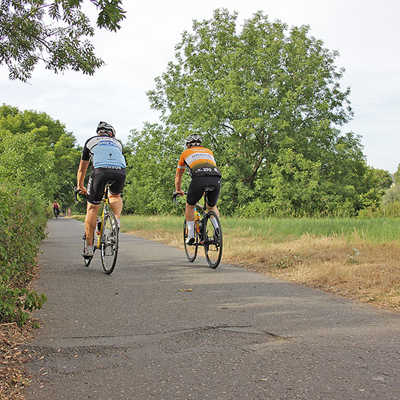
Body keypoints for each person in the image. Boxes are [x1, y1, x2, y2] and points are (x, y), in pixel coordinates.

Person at [77, 121, 127, 257]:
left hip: (100, 171)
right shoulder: (117, 143)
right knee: (115, 196)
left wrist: (80, 186)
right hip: (120, 171)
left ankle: (88, 247)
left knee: (92, 208)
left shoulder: (91, 141)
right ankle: (116, 220)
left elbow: (82, 169)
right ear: (112, 134)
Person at [174, 134, 222, 244]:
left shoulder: (185, 153)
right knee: (211, 206)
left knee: (190, 205)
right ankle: (217, 230)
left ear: (188, 145)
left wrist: (178, 189)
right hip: (216, 178)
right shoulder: (208, 151)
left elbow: (178, 175)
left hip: (199, 178)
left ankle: (190, 235)